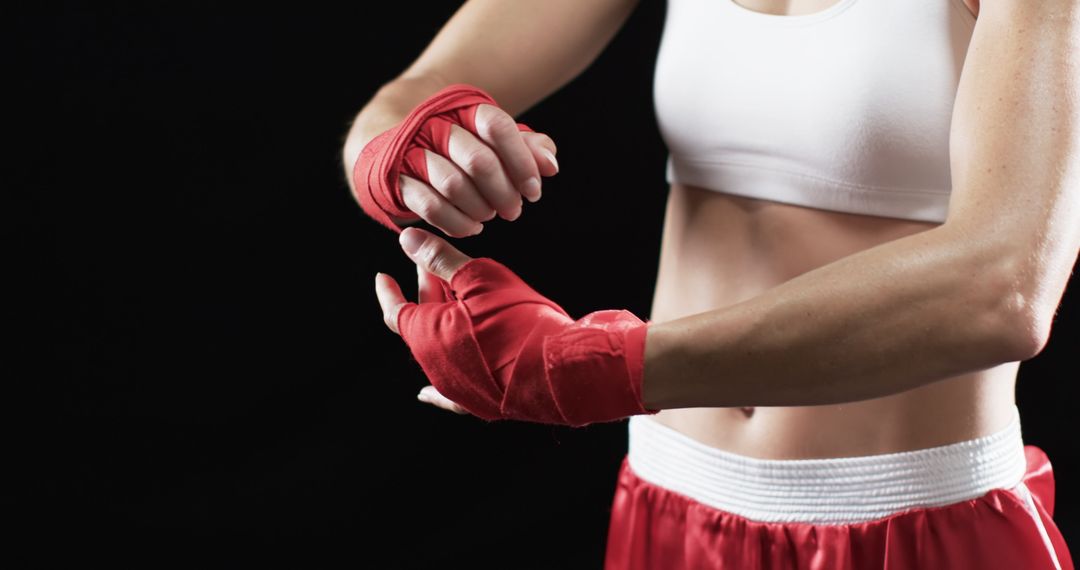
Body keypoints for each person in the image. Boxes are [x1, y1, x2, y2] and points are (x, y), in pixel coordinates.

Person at [346, 0, 1078, 567]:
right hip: (671, 502)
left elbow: (1004, 287)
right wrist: (402, 156)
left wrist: (593, 369)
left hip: (915, 524)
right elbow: (411, 92)